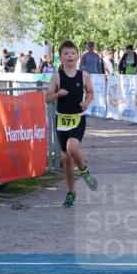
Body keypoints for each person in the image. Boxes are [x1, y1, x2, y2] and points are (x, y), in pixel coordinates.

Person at [44, 40, 99, 207]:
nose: (70, 56)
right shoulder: (56, 76)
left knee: (72, 148)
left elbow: (90, 93)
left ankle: (84, 172)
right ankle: (71, 192)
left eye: (72, 53)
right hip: (61, 120)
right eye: (66, 54)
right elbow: (47, 98)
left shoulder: (84, 75)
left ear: (77, 56)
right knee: (66, 159)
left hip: (77, 118)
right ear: (60, 58)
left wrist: (86, 103)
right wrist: (58, 94)